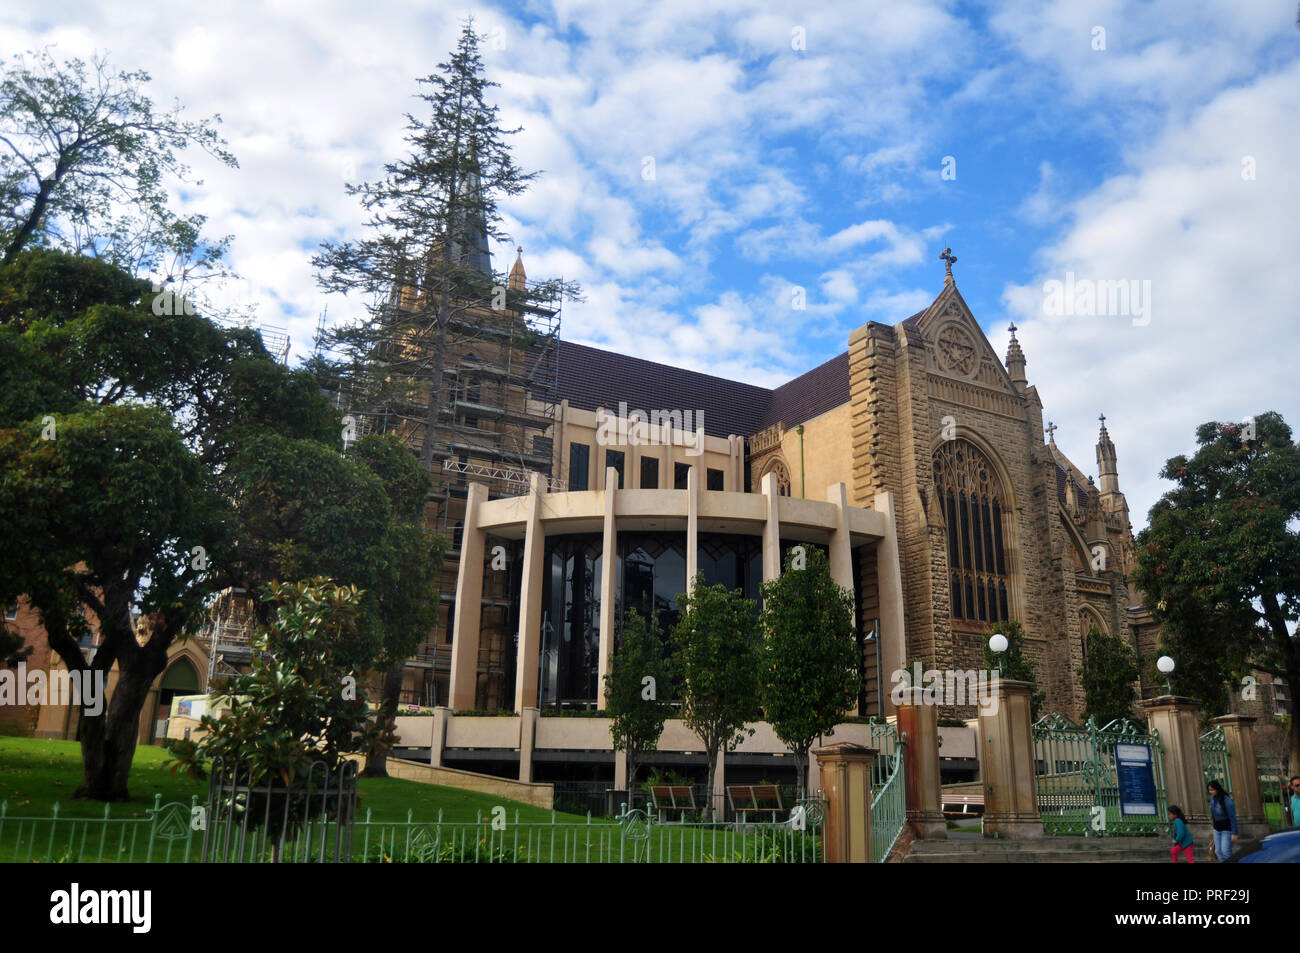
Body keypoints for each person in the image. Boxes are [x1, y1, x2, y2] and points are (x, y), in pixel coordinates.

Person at [1207, 780, 1237, 860]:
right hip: (1217, 829)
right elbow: (1213, 815)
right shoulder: (1212, 799)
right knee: (1218, 852)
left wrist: (1234, 833)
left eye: (1212, 790)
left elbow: (1232, 817)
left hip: (1226, 830)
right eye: (1209, 790)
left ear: (1217, 789)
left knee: (1226, 852)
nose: (1210, 792)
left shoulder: (1227, 800)